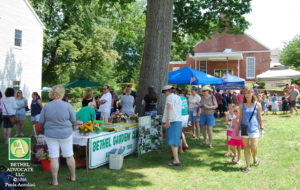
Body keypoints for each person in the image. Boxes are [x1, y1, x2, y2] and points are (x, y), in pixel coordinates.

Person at [39, 85, 76, 186]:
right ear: (62, 93)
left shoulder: (46, 106)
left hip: (51, 134)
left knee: (54, 157)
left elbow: (41, 121)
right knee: (69, 155)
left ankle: (55, 181)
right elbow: (73, 120)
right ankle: (73, 177)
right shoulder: (67, 105)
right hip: (66, 133)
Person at [237, 86, 263, 173]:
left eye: (249, 93)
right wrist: (238, 128)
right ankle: (248, 166)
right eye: (245, 93)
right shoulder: (241, 105)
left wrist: (262, 128)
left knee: (254, 147)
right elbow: (240, 117)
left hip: (255, 128)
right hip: (244, 127)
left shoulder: (257, 104)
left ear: (252, 94)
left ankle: (255, 157)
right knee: (246, 148)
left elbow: (260, 117)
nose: (247, 95)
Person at [162, 85, 182, 166]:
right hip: (178, 120)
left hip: (173, 120)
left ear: (168, 91)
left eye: (164, 92)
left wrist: (168, 120)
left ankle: (176, 160)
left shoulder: (169, 97)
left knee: (173, 141)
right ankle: (175, 156)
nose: (164, 94)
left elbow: (170, 108)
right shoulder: (178, 97)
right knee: (176, 140)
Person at [176, 88, 189, 153]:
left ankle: (180, 149)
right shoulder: (185, 98)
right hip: (185, 115)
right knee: (181, 131)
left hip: (181, 116)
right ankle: (185, 144)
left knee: (179, 132)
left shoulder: (178, 99)